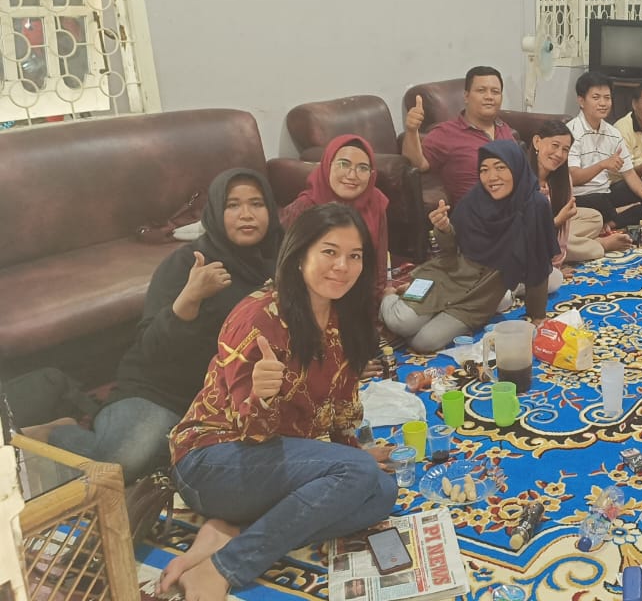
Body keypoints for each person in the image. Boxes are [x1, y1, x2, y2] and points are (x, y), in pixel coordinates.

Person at [162, 203, 397, 600]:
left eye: (354, 256)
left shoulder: (343, 314)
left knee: (381, 492)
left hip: (268, 457)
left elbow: (340, 402)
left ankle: (233, 530)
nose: (343, 266)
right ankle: (223, 567)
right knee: (356, 475)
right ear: (299, 254)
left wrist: (351, 452)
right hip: (211, 458)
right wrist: (262, 395)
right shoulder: (257, 316)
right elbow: (250, 432)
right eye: (329, 251)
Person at [30, 169, 282, 482]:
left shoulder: (284, 258)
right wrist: (189, 299)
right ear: (216, 211)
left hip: (236, 396)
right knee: (122, 462)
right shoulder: (187, 263)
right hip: (165, 393)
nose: (246, 214)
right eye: (232, 205)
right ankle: (60, 432)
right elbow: (151, 349)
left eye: (257, 203)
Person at [381, 140, 559, 352]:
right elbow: (448, 252)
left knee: (424, 343)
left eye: (500, 167)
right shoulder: (473, 202)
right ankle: (390, 295)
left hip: (477, 300)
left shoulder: (535, 206)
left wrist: (537, 315)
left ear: (516, 167)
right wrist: (444, 229)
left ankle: (415, 302)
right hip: (444, 279)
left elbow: (538, 266)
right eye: (484, 170)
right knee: (401, 323)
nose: (491, 177)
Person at [280, 134, 389, 286]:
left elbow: (379, 264)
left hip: (363, 292)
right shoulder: (303, 208)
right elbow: (287, 269)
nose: (352, 175)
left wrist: (381, 294)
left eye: (363, 168)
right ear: (327, 165)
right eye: (344, 164)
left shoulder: (375, 201)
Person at [402, 65, 517, 203]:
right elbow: (418, 164)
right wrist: (411, 130)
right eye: (481, 90)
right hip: (478, 211)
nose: (489, 97)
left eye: (495, 92)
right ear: (466, 96)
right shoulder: (446, 133)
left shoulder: (503, 128)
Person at [566, 72, 642, 229]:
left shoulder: (613, 133)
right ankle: (614, 217)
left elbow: (629, 174)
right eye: (596, 97)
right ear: (581, 101)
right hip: (580, 197)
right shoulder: (571, 132)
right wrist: (602, 165)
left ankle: (611, 222)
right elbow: (574, 177)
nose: (603, 103)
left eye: (607, 98)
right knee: (598, 203)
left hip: (605, 193)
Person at [527, 118, 630, 263]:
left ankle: (571, 243)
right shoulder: (521, 178)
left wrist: (561, 224)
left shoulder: (563, 179)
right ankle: (599, 244)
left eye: (565, 150)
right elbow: (525, 231)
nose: (559, 154)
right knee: (585, 247)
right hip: (531, 237)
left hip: (554, 229)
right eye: (555, 145)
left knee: (595, 217)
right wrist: (555, 264)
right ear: (537, 141)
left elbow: (564, 227)